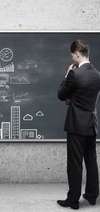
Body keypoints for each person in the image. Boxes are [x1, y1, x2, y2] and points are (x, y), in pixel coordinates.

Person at [57, 39, 100, 209]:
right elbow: (86, 95)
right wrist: (74, 99)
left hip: (76, 125)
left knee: (75, 163)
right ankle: (91, 195)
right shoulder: (98, 75)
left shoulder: (75, 74)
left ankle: (73, 200)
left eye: (72, 56)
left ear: (76, 54)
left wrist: (67, 74)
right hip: (91, 123)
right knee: (91, 160)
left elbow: (61, 94)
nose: (72, 58)